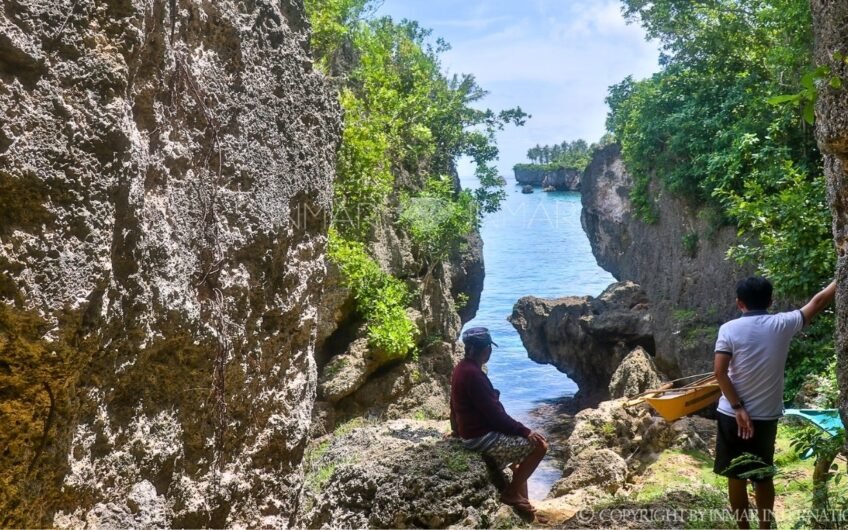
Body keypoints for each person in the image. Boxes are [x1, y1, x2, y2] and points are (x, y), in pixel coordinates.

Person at [713, 276, 836, 529]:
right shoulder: (783, 323)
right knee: (762, 475)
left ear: (739, 303)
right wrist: (843, 272)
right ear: (770, 301)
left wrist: (738, 408)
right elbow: (819, 300)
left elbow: (720, 374)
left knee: (736, 477)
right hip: (766, 417)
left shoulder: (728, 329)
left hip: (731, 414)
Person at [449, 326, 548, 517]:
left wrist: (456, 430)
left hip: (471, 434)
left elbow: (454, 404)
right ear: (486, 350)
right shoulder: (474, 375)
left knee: (519, 463)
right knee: (539, 446)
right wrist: (525, 431)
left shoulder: (461, 369)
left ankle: (525, 507)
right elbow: (495, 416)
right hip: (481, 438)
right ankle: (511, 494)